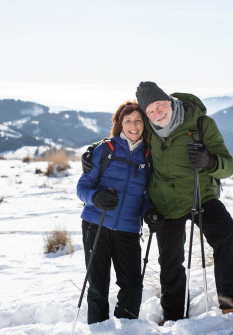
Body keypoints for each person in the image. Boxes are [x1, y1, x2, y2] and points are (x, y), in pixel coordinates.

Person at [83, 82, 233, 324]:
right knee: (170, 262)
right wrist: (92, 151)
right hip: (165, 203)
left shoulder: (202, 124)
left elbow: (229, 166)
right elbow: (126, 136)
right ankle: (174, 317)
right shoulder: (149, 129)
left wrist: (209, 160)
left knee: (229, 236)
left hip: (200, 195)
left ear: (170, 101)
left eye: (160, 106)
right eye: (149, 111)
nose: (157, 114)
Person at [76, 101, 164, 324]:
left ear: (145, 124)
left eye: (138, 120)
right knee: (97, 286)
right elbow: (82, 187)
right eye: (128, 121)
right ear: (120, 124)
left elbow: (145, 196)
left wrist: (149, 212)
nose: (133, 125)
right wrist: (96, 197)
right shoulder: (105, 150)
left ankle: (127, 328)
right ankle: (98, 329)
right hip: (96, 223)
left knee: (133, 286)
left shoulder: (149, 155)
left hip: (128, 229)